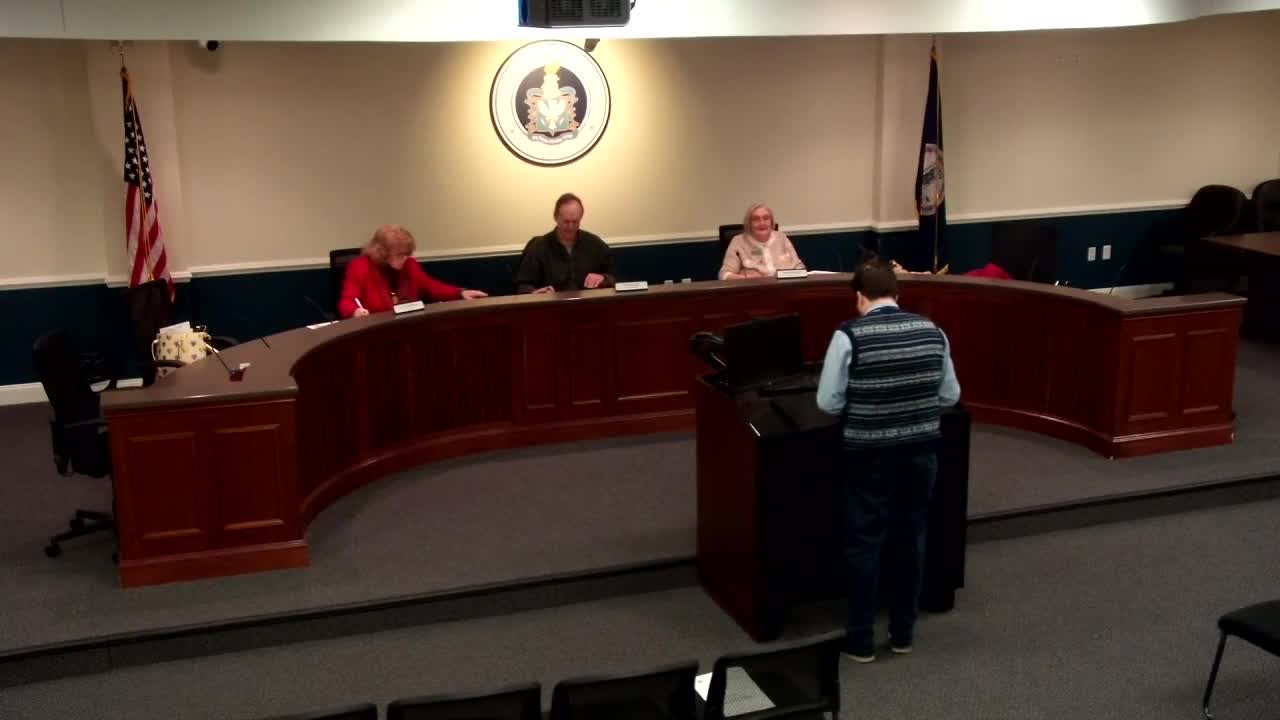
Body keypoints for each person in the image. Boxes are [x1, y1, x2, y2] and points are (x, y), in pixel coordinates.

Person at [815, 260, 961, 663]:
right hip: (921, 453)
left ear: (859, 297)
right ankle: (902, 635)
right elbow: (949, 395)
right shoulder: (933, 331)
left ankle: (861, 641)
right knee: (911, 540)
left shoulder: (849, 335)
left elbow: (828, 402)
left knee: (865, 544)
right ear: (898, 294)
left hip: (869, 456)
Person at [338, 225, 487, 318]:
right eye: (400, 255)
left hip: (406, 326)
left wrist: (460, 293)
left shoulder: (410, 265)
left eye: (407, 254)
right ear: (382, 252)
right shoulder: (360, 267)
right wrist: (355, 311)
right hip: (376, 331)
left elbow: (431, 287)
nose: (405, 259)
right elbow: (347, 301)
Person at [515, 193, 616, 294]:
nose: (570, 227)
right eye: (566, 222)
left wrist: (604, 278)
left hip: (588, 302)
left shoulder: (595, 244)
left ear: (581, 218)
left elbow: (614, 278)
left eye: (575, 222)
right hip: (552, 302)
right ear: (556, 217)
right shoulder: (538, 247)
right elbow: (522, 285)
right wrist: (535, 292)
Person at [719, 203, 805, 280]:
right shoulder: (738, 242)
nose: (762, 223)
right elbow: (724, 275)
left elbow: (799, 266)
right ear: (749, 223)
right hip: (755, 289)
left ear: (771, 222)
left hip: (785, 287)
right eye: (756, 219)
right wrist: (745, 278)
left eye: (766, 218)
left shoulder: (781, 237)